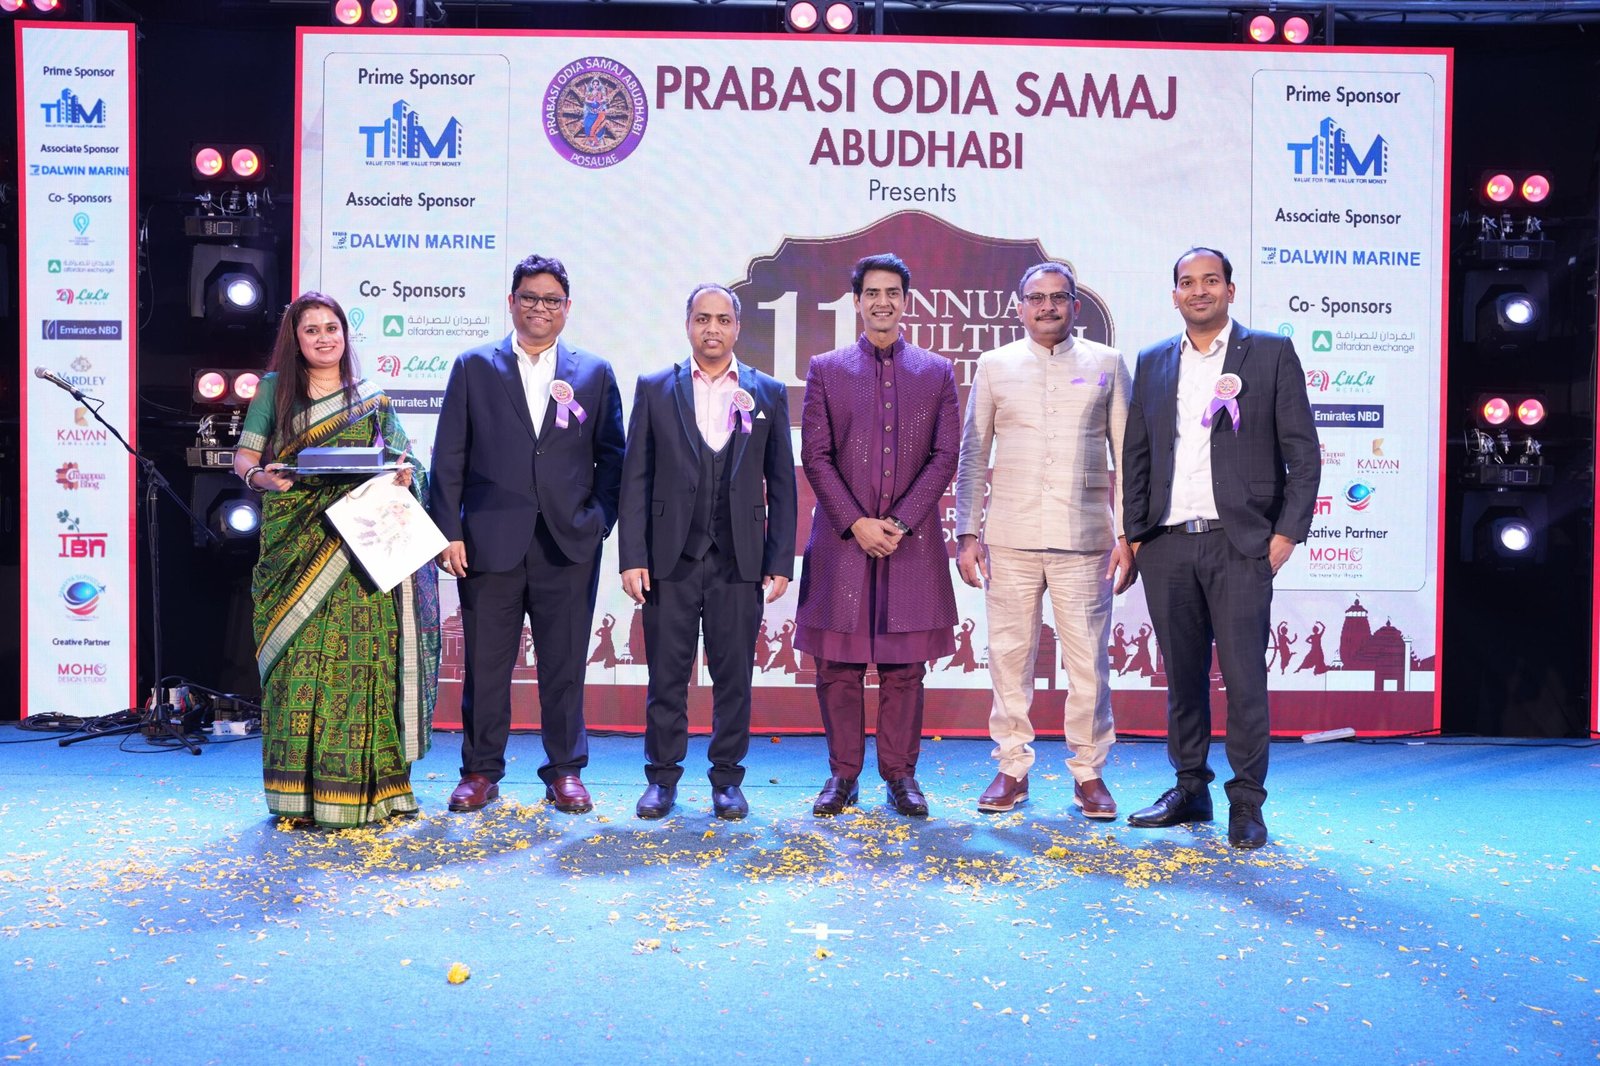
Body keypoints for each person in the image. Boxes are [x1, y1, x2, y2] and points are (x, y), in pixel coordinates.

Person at [1121, 247, 1319, 849]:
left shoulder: (1271, 353)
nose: (1199, 290)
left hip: (1240, 544)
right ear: (1174, 295)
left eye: (1211, 280)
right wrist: (1136, 535)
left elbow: (1303, 452)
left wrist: (1286, 533)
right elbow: (1137, 454)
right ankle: (1190, 788)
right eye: (1188, 282)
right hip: (1167, 543)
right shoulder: (1153, 360)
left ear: (1231, 290)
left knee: (1244, 680)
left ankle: (1247, 802)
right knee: (1182, 678)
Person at [233, 291, 439, 828]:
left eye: (332, 328)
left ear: (345, 335)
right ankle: (298, 798)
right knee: (299, 663)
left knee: (365, 662)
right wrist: (260, 478)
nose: (324, 338)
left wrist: (403, 473)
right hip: (299, 538)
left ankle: (374, 794)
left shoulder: (371, 397)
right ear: (295, 340)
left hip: (363, 544)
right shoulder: (274, 390)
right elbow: (245, 457)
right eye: (312, 330)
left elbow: (407, 460)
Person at [429, 254, 625, 815]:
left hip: (568, 543)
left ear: (567, 307)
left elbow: (614, 457)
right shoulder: (473, 366)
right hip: (488, 541)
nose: (541, 308)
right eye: (530, 298)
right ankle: (480, 771)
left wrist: (597, 521)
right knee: (485, 665)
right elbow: (449, 455)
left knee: (564, 666)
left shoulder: (594, 372)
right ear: (511, 302)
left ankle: (565, 771)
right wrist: (448, 531)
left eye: (552, 300)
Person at [955, 262, 1136, 818]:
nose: (1048, 307)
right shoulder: (994, 366)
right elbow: (973, 453)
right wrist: (967, 533)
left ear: (1075, 306)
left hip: (1086, 539)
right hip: (1009, 537)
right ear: (1019, 307)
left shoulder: (1107, 363)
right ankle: (1012, 767)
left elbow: (1127, 457)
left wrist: (1127, 533)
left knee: (1088, 665)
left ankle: (1089, 773)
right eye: (1036, 298)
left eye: (1059, 297)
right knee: (1009, 658)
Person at [619, 284, 797, 820]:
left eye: (722, 319)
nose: (712, 329)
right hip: (668, 559)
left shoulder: (767, 392)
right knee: (666, 677)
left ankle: (727, 779)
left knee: (733, 677)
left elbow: (782, 483)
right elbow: (635, 477)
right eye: (702, 319)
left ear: (738, 327)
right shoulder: (655, 388)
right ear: (688, 325)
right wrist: (632, 556)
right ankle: (662, 778)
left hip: (739, 559)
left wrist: (779, 560)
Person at [795, 253, 961, 818]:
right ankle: (843, 775)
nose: (882, 302)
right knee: (837, 667)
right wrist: (857, 522)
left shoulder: (936, 371)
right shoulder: (826, 368)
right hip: (842, 542)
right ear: (857, 301)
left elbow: (945, 456)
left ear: (906, 301)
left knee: (904, 668)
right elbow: (815, 455)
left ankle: (900, 776)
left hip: (910, 544)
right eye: (872, 293)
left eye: (892, 292)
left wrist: (899, 522)